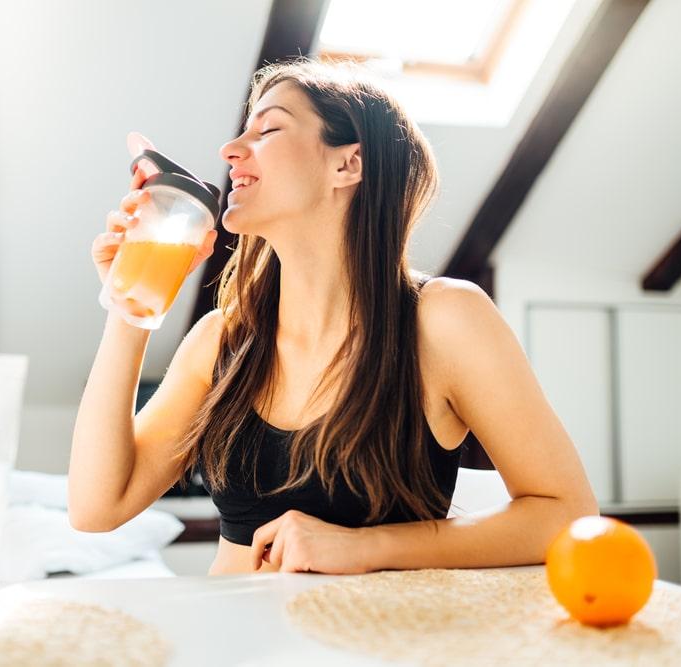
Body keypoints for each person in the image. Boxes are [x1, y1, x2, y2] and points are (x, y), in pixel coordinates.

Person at [69, 57, 598, 575]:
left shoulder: (443, 322)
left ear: (347, 164)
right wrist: (131, 303)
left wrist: (363, 548)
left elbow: (567, 514)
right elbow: (97, 508)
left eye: (268, 129)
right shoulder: (220, 341)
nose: (231, 150)